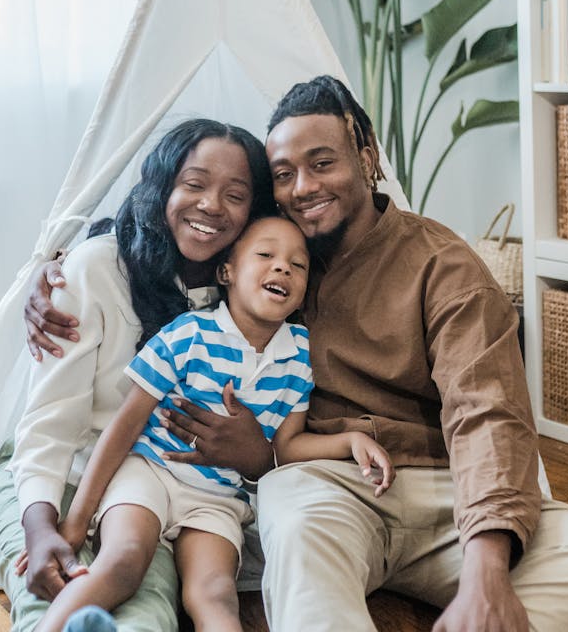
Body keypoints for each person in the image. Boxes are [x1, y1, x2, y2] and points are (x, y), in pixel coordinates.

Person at [27, 77, 568, 632]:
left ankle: (479, 605)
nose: (303, 188)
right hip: (329, 487)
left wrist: (486, 567)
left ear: (367, 158)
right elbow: (168, 235)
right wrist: (54, 269)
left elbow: (487, 411)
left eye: (322, 164)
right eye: (283, 174)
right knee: (294, 517)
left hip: (441, 489)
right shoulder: (275, 253)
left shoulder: (442, 266)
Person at [22, 215, 393, 632]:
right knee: (124, 561)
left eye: (298, 264)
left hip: (217, 499)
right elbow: (124, 427)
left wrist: (350, 441)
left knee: (214, 594)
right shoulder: (189, 334)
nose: (282, 267)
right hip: (151, 471)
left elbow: (286, 446)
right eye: (266, 255)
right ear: (226, 272)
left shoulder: (300, 356)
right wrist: (75, 522)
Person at [0, 118, 278, 632]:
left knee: (147, 613)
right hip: (52, 475)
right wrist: (41, 526)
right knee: (50, 587)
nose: (211, 205)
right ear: (161, 187)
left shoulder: (245, 297)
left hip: (146, 485)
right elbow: (49, 427)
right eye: (194, 184)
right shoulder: (96, 269)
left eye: (235, 195)